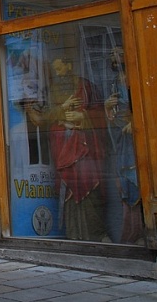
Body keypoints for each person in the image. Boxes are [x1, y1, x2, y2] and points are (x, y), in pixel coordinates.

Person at [48, 57, 109, 241]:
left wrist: (82, 117)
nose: (58, 74)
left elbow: (101, 115)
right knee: (69, 194)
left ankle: (95, 235)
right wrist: (62, 119)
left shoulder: (86, 88)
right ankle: (74, 235)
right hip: (65, 149)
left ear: (69, 65)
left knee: (89, 187)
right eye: (55, 71)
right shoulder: (55, 91)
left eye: (60, 68)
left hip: (85, 150)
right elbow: (48, 119)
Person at [104, 47, 144, 244]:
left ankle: (141, 232)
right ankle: (130, 231)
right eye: (111, 55)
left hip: (133, 138)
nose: (114, 57)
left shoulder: (135, 78)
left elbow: (145, 104)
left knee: (136, 180)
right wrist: (107, 108)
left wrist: (134, 122)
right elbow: (112, 116)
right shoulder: (114, 83)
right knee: (124, 183)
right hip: (121, 139)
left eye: (118, 53)